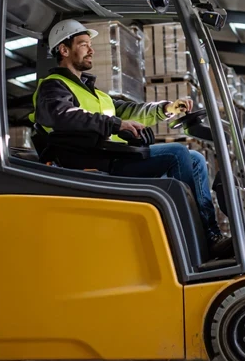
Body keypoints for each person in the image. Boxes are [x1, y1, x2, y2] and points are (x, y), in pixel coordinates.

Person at [30, 18, 234, 260]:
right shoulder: (53, 87)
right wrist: (116, 124)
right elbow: (63, 117)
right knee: (178, 154)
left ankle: (210, 235)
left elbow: (130, 111)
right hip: (92, 165)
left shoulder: (95, 93)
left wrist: (167, 107)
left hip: (111, 157)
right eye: (83, 44)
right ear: (64, 50)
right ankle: (192, 243)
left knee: (196, 159)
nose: (91, 49)